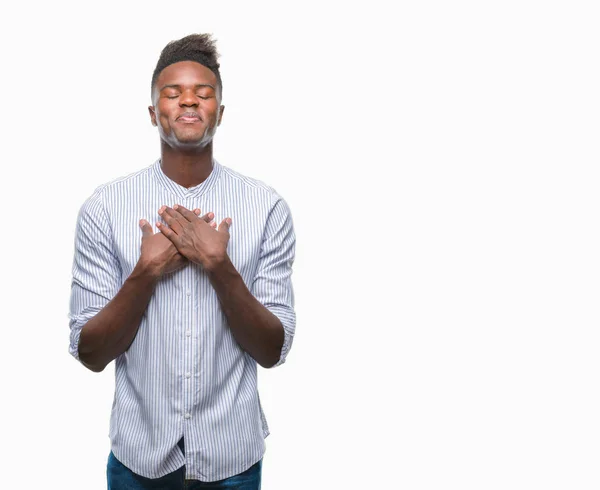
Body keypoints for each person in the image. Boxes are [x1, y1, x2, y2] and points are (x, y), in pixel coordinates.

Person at [68, 33, 296, 489]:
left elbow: (273, 350)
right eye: (172, 94)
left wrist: (219, 266)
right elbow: (90, 353)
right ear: (154, 113)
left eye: (203, 93)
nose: (188, 101)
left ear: (220, 113)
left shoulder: (265, 206)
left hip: (233, 461)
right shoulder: (105, 207)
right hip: (139, 461)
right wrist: (145, 273)